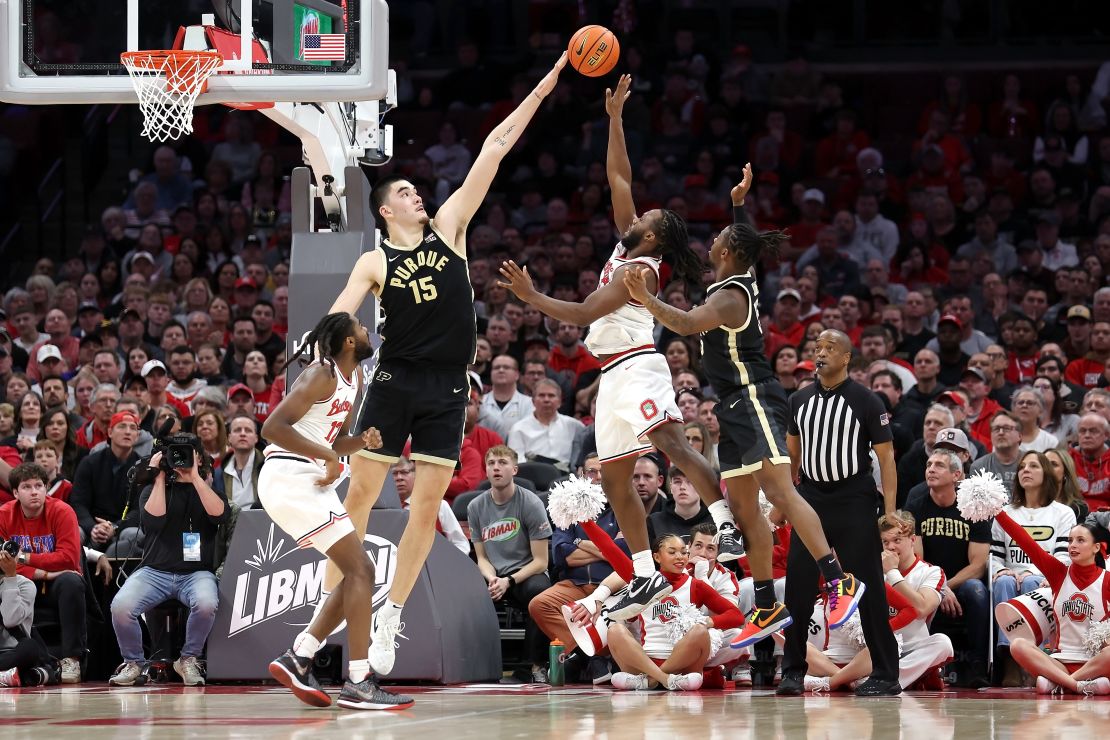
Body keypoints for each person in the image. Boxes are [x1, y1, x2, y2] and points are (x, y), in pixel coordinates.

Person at [325, 55, 568, 679]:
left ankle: (391, 614)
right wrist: (326, 348)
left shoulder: (452, 231)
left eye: (418, 190)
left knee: (426, 510)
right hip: (393, 381)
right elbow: (339, 316)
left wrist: (549, 79)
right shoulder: (375, 261)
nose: (419, 196)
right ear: (386, 211)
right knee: (358, 498)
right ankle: (334, 605)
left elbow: (495, 145)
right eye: (407, 193)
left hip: (445, 389)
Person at [499, 75, 746, 624]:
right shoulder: (624, 242)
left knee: (674, 447)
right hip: (611, 375)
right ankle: (642, 571)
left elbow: (586, 312)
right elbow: (618, 175)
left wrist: (530, 295)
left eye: (650, 219)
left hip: (637, 367)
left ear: (655, 239)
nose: (642, 215)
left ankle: (725, 521)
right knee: (613, 479)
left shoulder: (640, 269)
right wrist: (613, 117)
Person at [259, 312, 410, 711]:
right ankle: (359, 680)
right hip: (287, 476)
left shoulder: (354, 380)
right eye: (361, 328)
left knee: (358, 572)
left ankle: (301, 655)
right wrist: (328, 454)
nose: (367, 333)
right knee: (362, 570)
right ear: (347, 341)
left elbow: (332, 439)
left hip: (311, 479)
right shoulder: (320, 373)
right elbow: (272, 428)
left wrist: (359, 441)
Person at [776, 329, 900, 696]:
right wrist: (785, 503)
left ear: (847, 358)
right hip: (810, 498)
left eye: (830, 348)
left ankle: (885, 672)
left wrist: (889, 509)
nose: (821, 353)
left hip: (853, 498)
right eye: (818, 348)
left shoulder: (867, 400)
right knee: (797, 584)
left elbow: (886, 457)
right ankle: (792, 671)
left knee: (868, 585)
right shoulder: (798, 399)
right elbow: (791, 454)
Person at [107, 434, 229, 687]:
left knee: (206, 603)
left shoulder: (207, 489)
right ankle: (134, 663)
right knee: (121, 606)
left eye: (187, 453)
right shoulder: (152, 489)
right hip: (155, 571)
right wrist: (160, 474)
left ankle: (188, 659)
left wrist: (194, 477)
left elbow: (220, 516)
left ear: (199, 458)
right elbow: (153, 522)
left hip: (196, 573)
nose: (180, 459)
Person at [567, 529, 745, 691]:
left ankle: (650, 680)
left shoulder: (696, 585)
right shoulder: (643, 582)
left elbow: (736, 617)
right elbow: (609, 549)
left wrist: (707, 621)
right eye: (672, 552)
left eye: (684, 552)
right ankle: (665, 679)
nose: (680, 557)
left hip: (683, 662)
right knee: (614, 630)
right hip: (644, 659)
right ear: (657, 557)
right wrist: (586, 520)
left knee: (700, 630)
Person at [802, 510, 953, 692]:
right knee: (799, 648)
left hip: (909, 650)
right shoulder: (868, 570)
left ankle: (846, 680)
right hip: (867, 651)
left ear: (912, 540)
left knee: (943, 643)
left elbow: (920, 608)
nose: (890, 547)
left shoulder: (931, 572)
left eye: (897, 540)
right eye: (885, 542)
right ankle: (853, 680)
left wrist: (892, 572)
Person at [993, 508, 1110, 695]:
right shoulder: (1058, 573)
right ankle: (1078, 686)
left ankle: (1060, 684)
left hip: (1094, 664)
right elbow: (1026, 542)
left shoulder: (1107, 580)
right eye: (1070, 540)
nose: (1073, 545)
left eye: (1080, 540)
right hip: (1059, 662)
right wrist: (998, 513)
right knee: (1018, 645)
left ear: (1096, 547)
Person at [904, 450, 991, 687]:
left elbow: (978, 565)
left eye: (939, 465)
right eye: (929, 464)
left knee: (976, 591)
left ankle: (977, 664)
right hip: (926, 581)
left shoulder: (974, 509)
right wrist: (937, 588)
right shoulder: (917, 502)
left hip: (961, 583)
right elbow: (916, 558)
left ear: (956, 475)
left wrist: (945, 586)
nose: (931, 469)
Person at [990, 450, 1076, 685]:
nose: (1025, 470)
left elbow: (1063, 558)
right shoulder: (1006, 512)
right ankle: (1009, 663)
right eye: (1022, 467)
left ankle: (1032, 663)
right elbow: (995, 556)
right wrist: (1000, 571)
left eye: (1034, 466)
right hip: (1010, 575)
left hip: (1044, 578)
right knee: (1004, 581)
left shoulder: (1063, 513)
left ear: (1047, 473)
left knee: (1030, 582)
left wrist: (1033, 573)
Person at [467, 445, 552, 682]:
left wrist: (509, 581)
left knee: (540, 595)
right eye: (491, 463)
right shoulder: (475, 507)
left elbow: (541, 561)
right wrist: (493, 578)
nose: (496, 467)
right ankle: (473, 665)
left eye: (503, 462)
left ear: (514, 469)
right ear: (485, 470)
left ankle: (534, 666)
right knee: (462, 595)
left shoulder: (530, 503)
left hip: (525, 573)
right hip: (494, 575)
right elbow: (481, 557)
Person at [0, 462, 85, 683]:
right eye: (27, 487)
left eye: (39, 485)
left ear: (46, 489)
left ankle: (71, 659)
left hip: (55, 584)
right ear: (16, 493)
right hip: (21, 580)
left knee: (71, 582)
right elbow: (3, 563)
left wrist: (24, 558)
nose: (34, 491)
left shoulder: (62, 511)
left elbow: (68, 558)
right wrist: (45, 573)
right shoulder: (3, 515)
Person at [392, 455, 468, 554]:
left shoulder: (439, 506)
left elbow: (461, 544)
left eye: (404, 472)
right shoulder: (382, 511)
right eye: (394, 473)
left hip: (437, 563)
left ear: (416, 474)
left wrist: (449, 564)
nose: (399, 478)